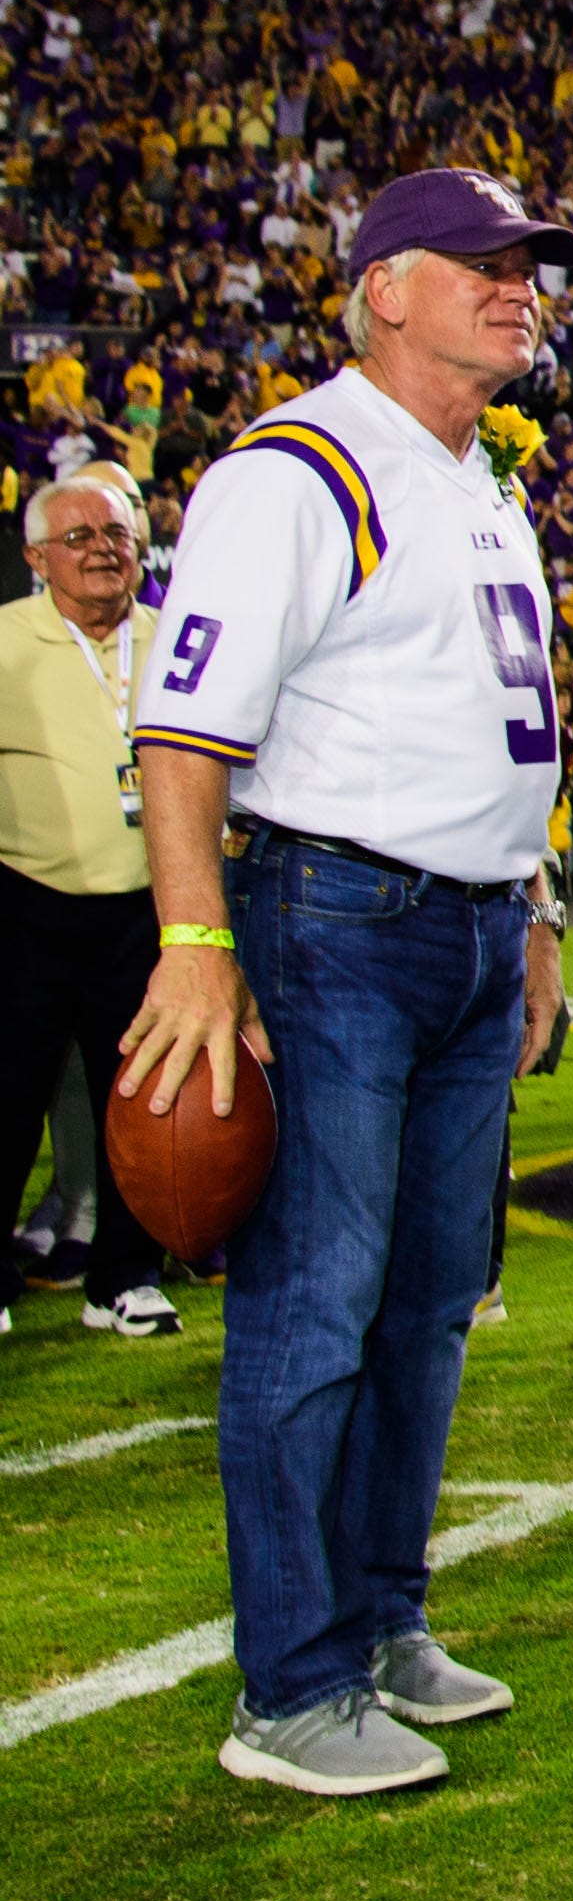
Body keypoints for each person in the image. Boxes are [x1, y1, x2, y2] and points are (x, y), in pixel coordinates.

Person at [121, 169, 573, 1799]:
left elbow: (483, 724)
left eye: (528, 266)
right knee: (314, 1298)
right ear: (385, 286)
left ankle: (382, 1613)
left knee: (429, 1299)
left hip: (463, 925)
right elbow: (183, 730)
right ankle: (291, 1682)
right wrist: (194, 941)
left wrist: (528, 904)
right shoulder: (297, 465)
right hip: (335, 920)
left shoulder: (477, 478)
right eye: (481, 263)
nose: (517, 286)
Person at [0, 470, 173, 1337]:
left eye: (117, 534)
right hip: (28, 904)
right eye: (80, 537)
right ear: (36, 557)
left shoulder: (174, 636)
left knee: (137, 1102)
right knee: (8, 1097)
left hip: (145, 910)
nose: (104, 549)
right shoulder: (4, 639)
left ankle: (125, 1279)